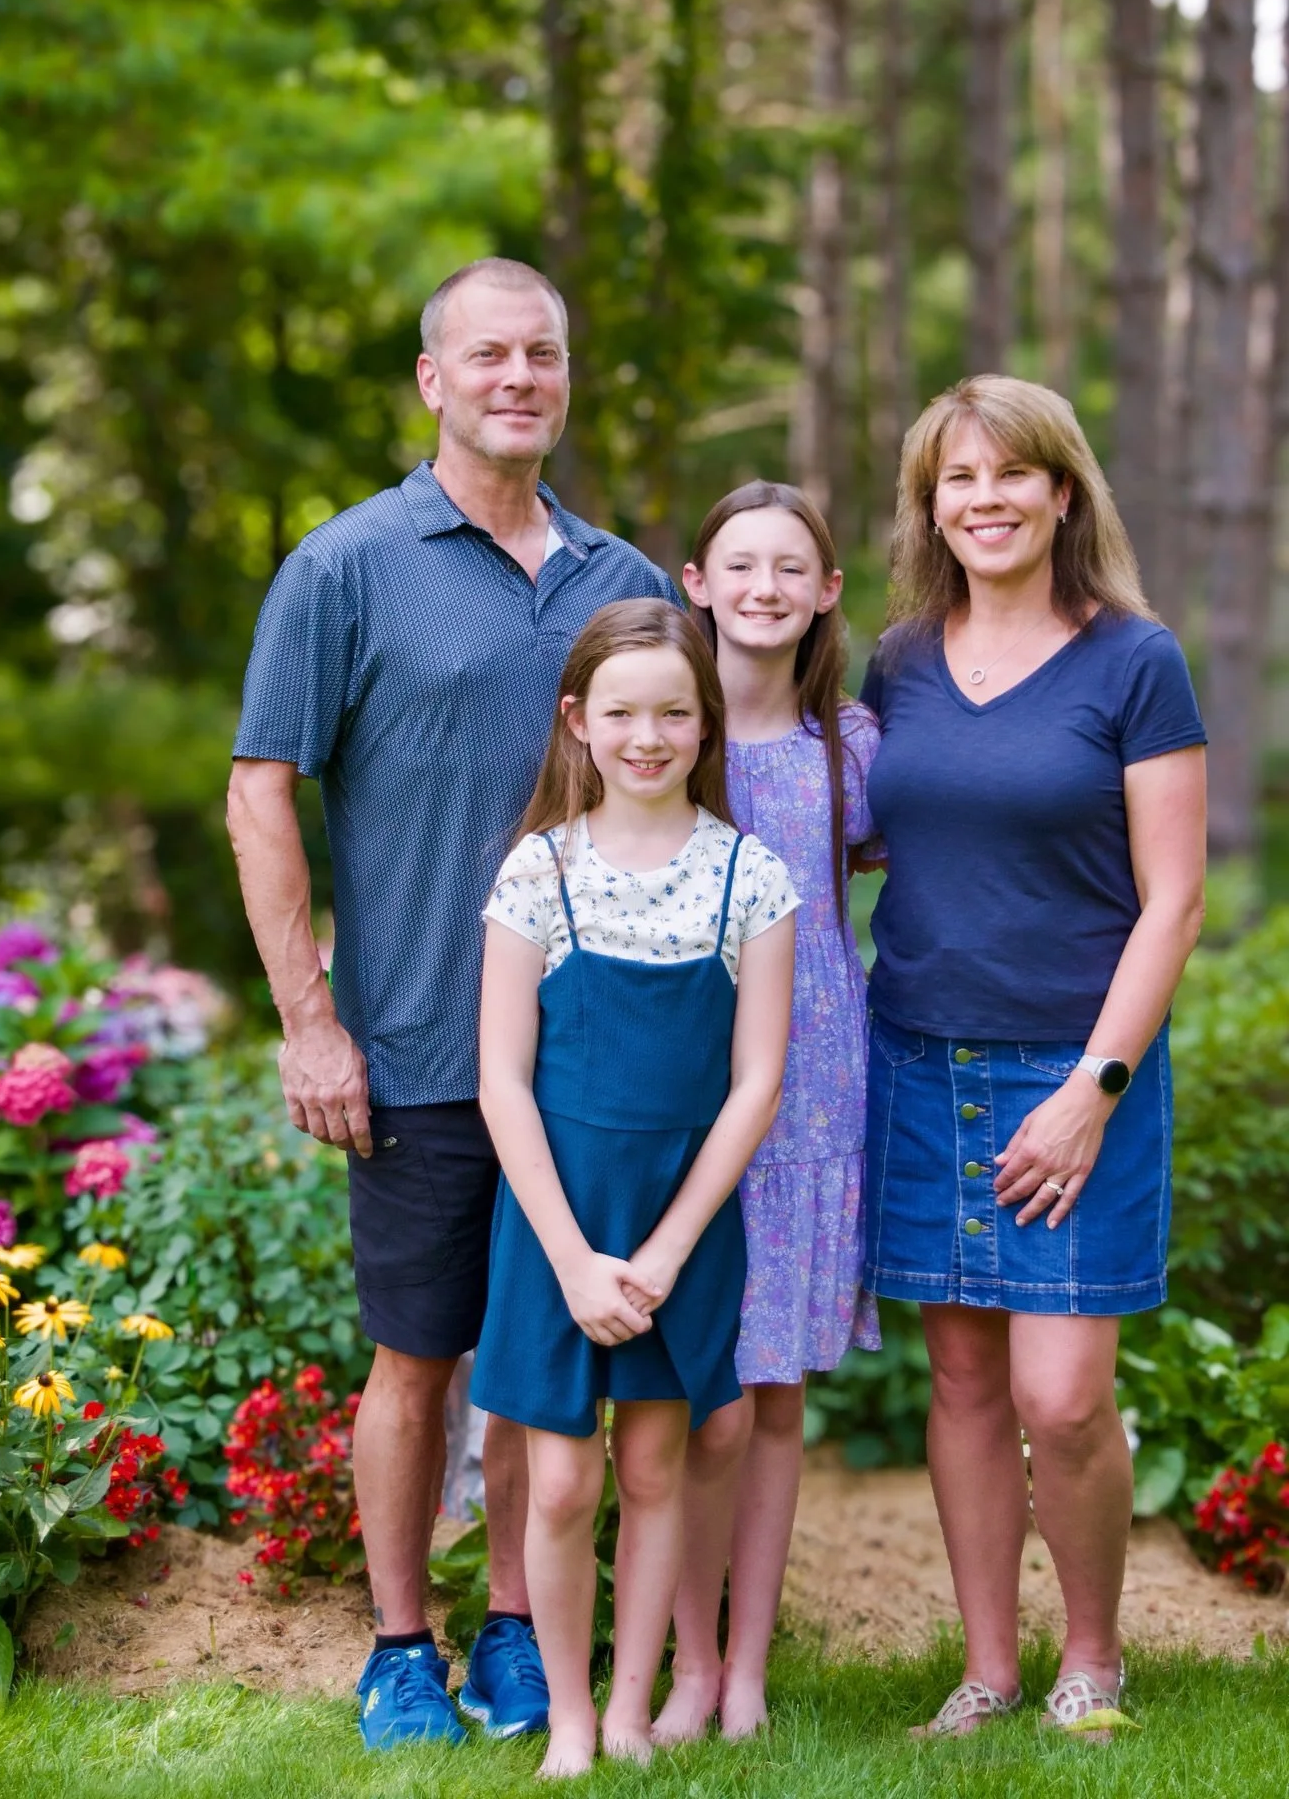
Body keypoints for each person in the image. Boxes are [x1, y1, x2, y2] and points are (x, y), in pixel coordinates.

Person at [226, 259, 678, 1752]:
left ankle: (521, 1635)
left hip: (598, 1056)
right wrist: (310, 1018)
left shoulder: (627, 583)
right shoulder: (345, 566)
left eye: (542, 355)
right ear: (432, 379)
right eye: (487, 355)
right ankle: (400, 1648)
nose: (518, 378)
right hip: (417, 1039)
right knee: (418, 1353)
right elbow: (259, 795)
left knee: (550, 1356)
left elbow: (707, 778)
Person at [859, 376, 1206, 1739]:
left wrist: (1091, 1093)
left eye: (1013, 474)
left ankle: (1094, 1655)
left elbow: (1171, 902)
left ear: (1063, 492)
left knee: (1062, 1399)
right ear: (929, 505)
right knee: (960, 1381)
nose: (985, 499)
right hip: (920, 1060)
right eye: (958, 478)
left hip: (1078, 1069)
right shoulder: (894, 662)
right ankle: (991, 1671)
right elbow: (873, 829)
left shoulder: (1135, 659)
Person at [471, 599, 797, 1777]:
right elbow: (502, 1081)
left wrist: (662, 1256)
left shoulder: (746, 878)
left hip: (682, 1229)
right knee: (558, 1483)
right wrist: (572, 1257)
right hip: (555, 1225)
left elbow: (755, 1083)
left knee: (656, 1467)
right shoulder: (537, 872)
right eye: (622, 712)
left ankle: (631, 1702)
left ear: (707, 722)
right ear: (578, 722)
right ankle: (567, 1712)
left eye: (674, 710)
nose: (648, 735)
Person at [649, 481, 882, 1745]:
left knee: (775, 1391)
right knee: (702, 1395)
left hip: (815, 1082)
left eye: (793, 568)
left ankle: (745, 1671)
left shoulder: (854, 749)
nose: (765, 588)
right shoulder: (667, 731)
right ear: (697, 580)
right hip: (683, 1081)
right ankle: (686, 1664)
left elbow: (904, 866)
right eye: (740, 564)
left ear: (829, 591)